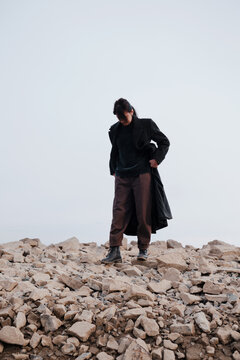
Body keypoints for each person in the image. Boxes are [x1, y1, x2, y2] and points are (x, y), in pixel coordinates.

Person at [101, 98, 172, 264]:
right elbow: (115, 150)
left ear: (131, 111)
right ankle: (114, 250)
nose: (122, 121)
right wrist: (114, 169)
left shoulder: (146, 125)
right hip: (122, 175)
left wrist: (156, 159)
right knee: (118, 211)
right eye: (119, 119)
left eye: (124, 117)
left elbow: (164, 142)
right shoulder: (115, 130)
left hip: (142, 174)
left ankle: (143, 249)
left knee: (143, 211)